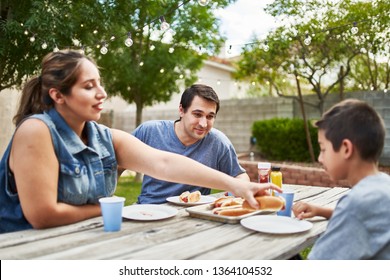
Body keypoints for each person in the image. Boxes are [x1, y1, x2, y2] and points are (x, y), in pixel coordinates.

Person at [0, 50, 281, 234]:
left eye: (99, 83)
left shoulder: (104, 137)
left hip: (85, 241)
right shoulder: (36, 131)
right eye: (88, 86)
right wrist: (116, 208)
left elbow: (164, 162)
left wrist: (238, 184)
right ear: (58, 95)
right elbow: (42, 216)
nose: (102, 93)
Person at [292, 99, 390, 259]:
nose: (319, 158)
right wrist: (320, 211)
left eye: (323, 149)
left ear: (346, 148)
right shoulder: (383, 186)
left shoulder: (357, 204)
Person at [133, 84, 249, 204]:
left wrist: (234, 194)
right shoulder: (149, 131)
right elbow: (116, 164)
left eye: (210, 116)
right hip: (148, 211)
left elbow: (240, 176)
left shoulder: (218, 142)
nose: (203, 124)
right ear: (181, 110)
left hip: (193, 215)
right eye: (197, 114)